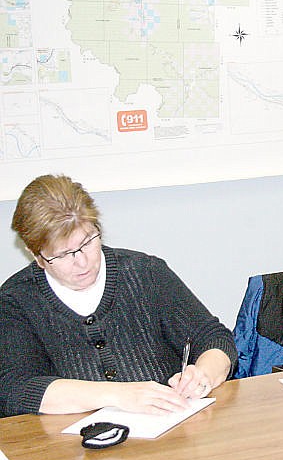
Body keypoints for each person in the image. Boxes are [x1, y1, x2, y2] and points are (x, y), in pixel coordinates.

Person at [0, 175, 237, 418]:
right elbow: (15, 390)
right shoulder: (16, 301)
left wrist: (203, 375)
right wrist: (118, 395)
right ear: (36, 255)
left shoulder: (145, 273)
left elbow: (214, 338)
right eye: (63, 255)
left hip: (171, 432)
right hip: (76, 448)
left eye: (88, 242)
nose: (82, 262)